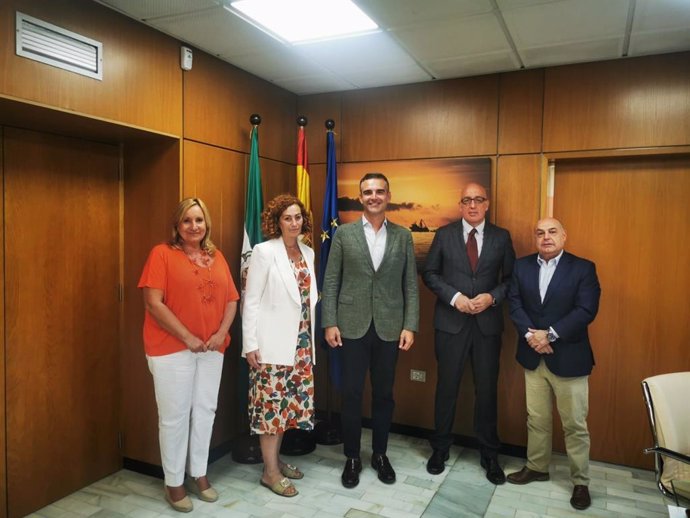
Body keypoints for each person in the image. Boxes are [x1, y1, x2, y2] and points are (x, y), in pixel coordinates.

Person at [138, 198, 239, 513]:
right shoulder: (162, 254)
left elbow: (232, 299)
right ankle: (174, 483)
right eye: (187, 221)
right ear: (177, 226)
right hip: (173, 350)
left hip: (212, 348)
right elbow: (153, 302)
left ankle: (199, 473)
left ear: (206, 223)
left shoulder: (217, 255)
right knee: (174, 418)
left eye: (199, 220)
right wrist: (188, 337)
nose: (194, 227)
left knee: (206, 410)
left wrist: (222, 332)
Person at [322, 172, 419, 488]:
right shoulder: (344, 235)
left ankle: (379, 454)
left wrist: (410, 325)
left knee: (384, 395)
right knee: (351, 394)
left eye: (379, 191)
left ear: (389, 195)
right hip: (350, 326)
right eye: (367, 192)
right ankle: (352, 456)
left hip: (390, 327)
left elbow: (410, 286)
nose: (373, 196)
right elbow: (332, 280)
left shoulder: (404, 236)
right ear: (360, 197)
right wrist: (330, 322)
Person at [421, 182, 515, 484]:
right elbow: (430, 274)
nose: (472, 205)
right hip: (450, 323)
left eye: (478, 200)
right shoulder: (444, 235)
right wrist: (454, 298)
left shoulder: (502, 237)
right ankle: (440, 448)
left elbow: (512, 280)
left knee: (486, 391)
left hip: (487, 326)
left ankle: (489, 453)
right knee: (446, 387)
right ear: (460, 205)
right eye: (466, 200)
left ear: (486, 204)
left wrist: (492, 297)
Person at [506, 217, 601, 511]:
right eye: (540, 233)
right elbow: (514, 303)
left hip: (569, 358)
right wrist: (531, 336)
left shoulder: (583, 268)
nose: (546, 237)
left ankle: (580, 482)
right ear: (535, 238)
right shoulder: (521, 266)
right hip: (533, 356)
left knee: (574, 424)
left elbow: (586, 309)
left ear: (564, 236)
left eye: (552, 232)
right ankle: (537, 467)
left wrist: (550, 334)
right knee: (537, 419)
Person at [242, 194, 318, 498]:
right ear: (277, 221)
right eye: (287, 217)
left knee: (287, 409)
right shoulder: (264, 252)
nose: (294, 223)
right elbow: (252, 301)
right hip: (271, 346)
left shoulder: (308, 252)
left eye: (298, 217)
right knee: (271, 410)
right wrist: (251, 344)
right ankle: (269, 472)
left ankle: (275, 461)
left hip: (300, 346)